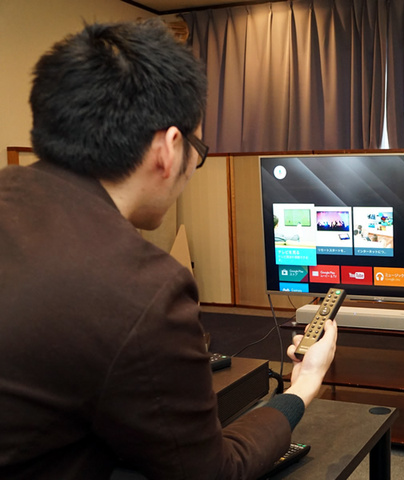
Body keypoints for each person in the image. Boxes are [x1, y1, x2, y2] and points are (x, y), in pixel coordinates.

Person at [0, 20, 337, 480]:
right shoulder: (143, 287)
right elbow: (213, 472)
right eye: (199, 148)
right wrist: (303, 386)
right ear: (168, 147)